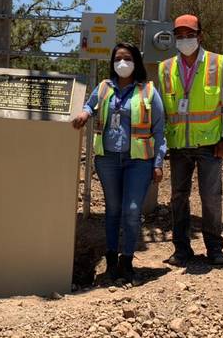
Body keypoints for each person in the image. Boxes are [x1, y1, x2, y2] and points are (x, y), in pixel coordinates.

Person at [72, 43, 166, 283]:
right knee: (112, 211)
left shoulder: (148, 91)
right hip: (108, 159)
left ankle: (127, 260)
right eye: (118, 59)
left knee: (132, 212)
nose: (122, 63)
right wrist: (84, 113)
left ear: (136, 62)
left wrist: (158, 162)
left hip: (139, 162)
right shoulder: (104, 87)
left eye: (127, 58)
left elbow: (159, 130)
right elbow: (89, 104)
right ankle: (111, 259)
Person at [158, 14, 223, 267]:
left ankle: (215, 249)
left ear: (200, 36)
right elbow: (161, 110)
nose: (184, 40)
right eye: (179, 36)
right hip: (178, 145)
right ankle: (182, 250)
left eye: (189, 35)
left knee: (211, 197)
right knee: (178, 198)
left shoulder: (218, 63)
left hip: (210, 144)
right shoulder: (165, 68)